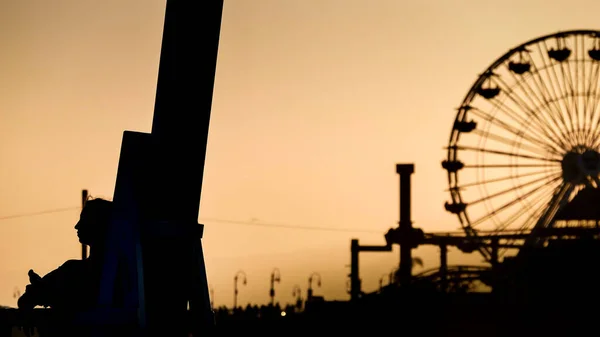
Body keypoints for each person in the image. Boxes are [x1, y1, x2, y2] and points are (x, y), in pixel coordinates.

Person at [17, 198, 114, 311]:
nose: (77, 226)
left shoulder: (72, 270)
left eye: (84, 219)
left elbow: (25, 301)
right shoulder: (120, 271)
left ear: (97, 224)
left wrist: (43, 291)